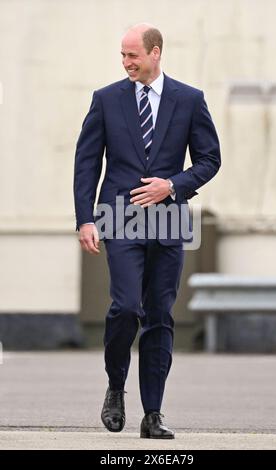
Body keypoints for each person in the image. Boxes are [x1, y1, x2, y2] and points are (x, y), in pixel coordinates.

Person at [73, 23, 221, 439]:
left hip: (169, 218)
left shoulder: (190, 100)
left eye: (132, 55)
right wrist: (85, 218)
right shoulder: (105, 100)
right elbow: (87, 163)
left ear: (155, 53)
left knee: (159, 316)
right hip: (119, 217)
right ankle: (116, 388)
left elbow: (210, 159)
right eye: (122, 55)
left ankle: (153, 414)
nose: (125, 63)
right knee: (125, 307)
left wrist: (172, 185)